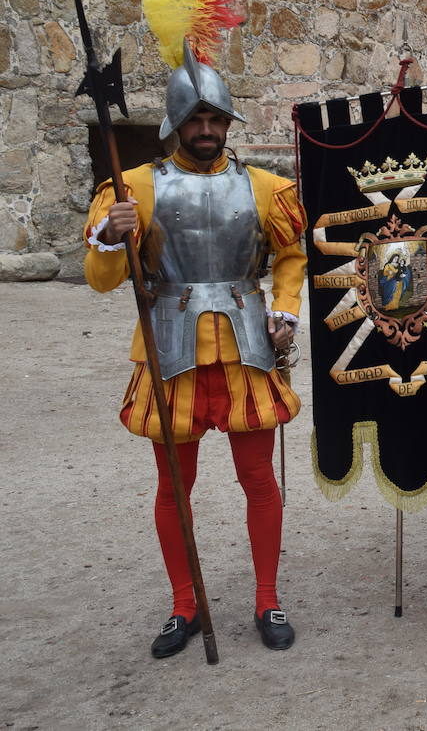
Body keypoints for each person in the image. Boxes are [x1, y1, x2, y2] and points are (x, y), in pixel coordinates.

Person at [84, 42, 305, 657]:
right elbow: (101, 280)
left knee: (258, 480)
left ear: (228, 123)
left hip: (245, 349)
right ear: (175, 123)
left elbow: (291, 255)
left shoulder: (267, 188)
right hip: (170, 349)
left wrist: (285, 309)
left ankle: (267, 598)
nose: (206, 130)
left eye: (216, 120)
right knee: (173, 488)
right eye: (195, 119)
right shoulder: (132, 188)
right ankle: (184, 605)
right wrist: (110, 236)